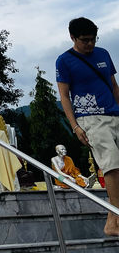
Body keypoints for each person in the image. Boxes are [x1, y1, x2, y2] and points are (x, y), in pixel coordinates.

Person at [56, 16, 119, 237]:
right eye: (85, 40)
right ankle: (114, 217)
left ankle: (113, 218)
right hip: (89, 117)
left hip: (114, 113)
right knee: (111, 163)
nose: (90, 44)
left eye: (93, 39)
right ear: (73, 37)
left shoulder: (103, 54)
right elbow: (64, 96)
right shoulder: (64, 60)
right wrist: (75, 126)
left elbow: (113, 85)